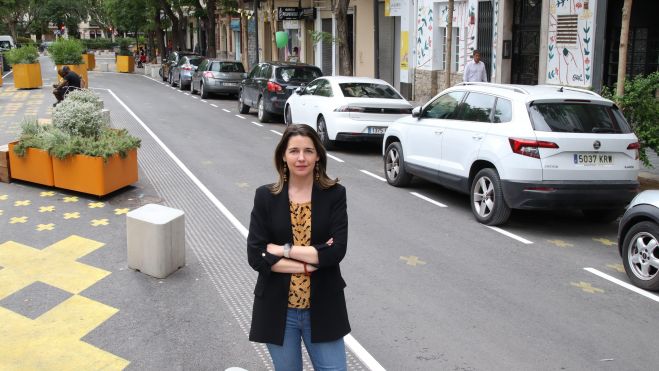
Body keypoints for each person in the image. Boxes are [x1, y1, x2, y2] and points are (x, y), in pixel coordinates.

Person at [247, 124, 350, 371]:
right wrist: (311, 261)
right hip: (278, 309)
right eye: (294, 151)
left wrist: (282, 250)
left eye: (308, 151)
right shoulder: (265, 197)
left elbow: (336, 252)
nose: (301, 158)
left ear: (318, 156)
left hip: (324, 305)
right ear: (283, 155)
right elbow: (257, 256)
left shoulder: (335, 194)